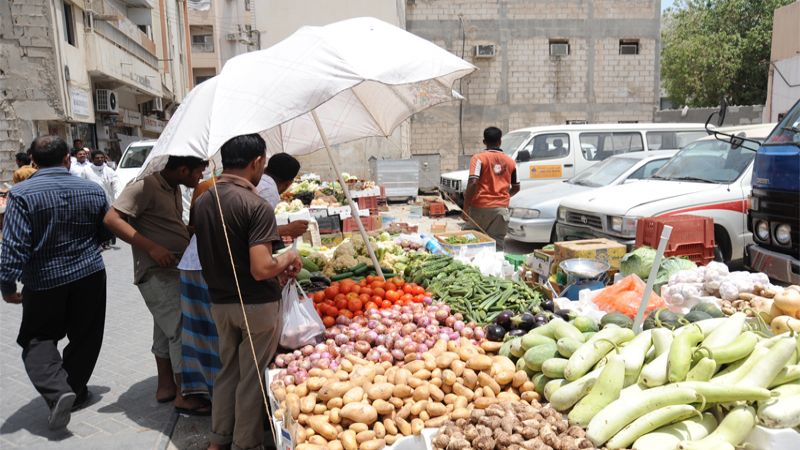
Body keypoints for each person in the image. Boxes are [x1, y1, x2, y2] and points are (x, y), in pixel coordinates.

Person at [193, 134, 301, 450]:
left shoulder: (203, 200)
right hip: (255, 304)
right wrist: (290, 256)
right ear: (256, 162)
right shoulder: (255, 204)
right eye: (263, 164)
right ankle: (245, 444)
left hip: (220, 303)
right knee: (252, 378)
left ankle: (218, 440)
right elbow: (262, 268)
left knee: (228, 372)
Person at [0, 136, 111, 430]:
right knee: (86, 336)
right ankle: (73, 390)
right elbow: (105, 232)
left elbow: (13, 245)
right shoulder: (92, 190)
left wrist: (7, 285)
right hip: (89, 274)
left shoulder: (21, 194)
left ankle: (60, 390)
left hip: (44, 280)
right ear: (67, 159)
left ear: (33, 163)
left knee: (37, 339)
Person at [103, 155, 210, 415]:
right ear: (183, 169)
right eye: (197, 173)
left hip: (174, 269)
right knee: (180, 328)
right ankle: (185, 395)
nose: (199, 179)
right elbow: (111, 219)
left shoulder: (173, 187)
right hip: (155, 272)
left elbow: (162, 223)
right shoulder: (145, 185)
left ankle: (166, 386)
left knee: (164, 330)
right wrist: (152, 247)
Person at [462, 126, 520, 250]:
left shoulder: (478, 158)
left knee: (470, 242)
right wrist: (501, 199)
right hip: (501, 210)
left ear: (484, 142)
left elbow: (473, 182)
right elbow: (516, 187)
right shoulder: (511, 162)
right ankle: (496, 269)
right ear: (500, 141)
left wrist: (466, 208)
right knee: (497, 245)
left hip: (480, 208)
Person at [257, 153, 308, 238]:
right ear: (288, 183)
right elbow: (258, 231)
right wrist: (287, 229)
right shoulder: (269, 191)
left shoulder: (260, 181)